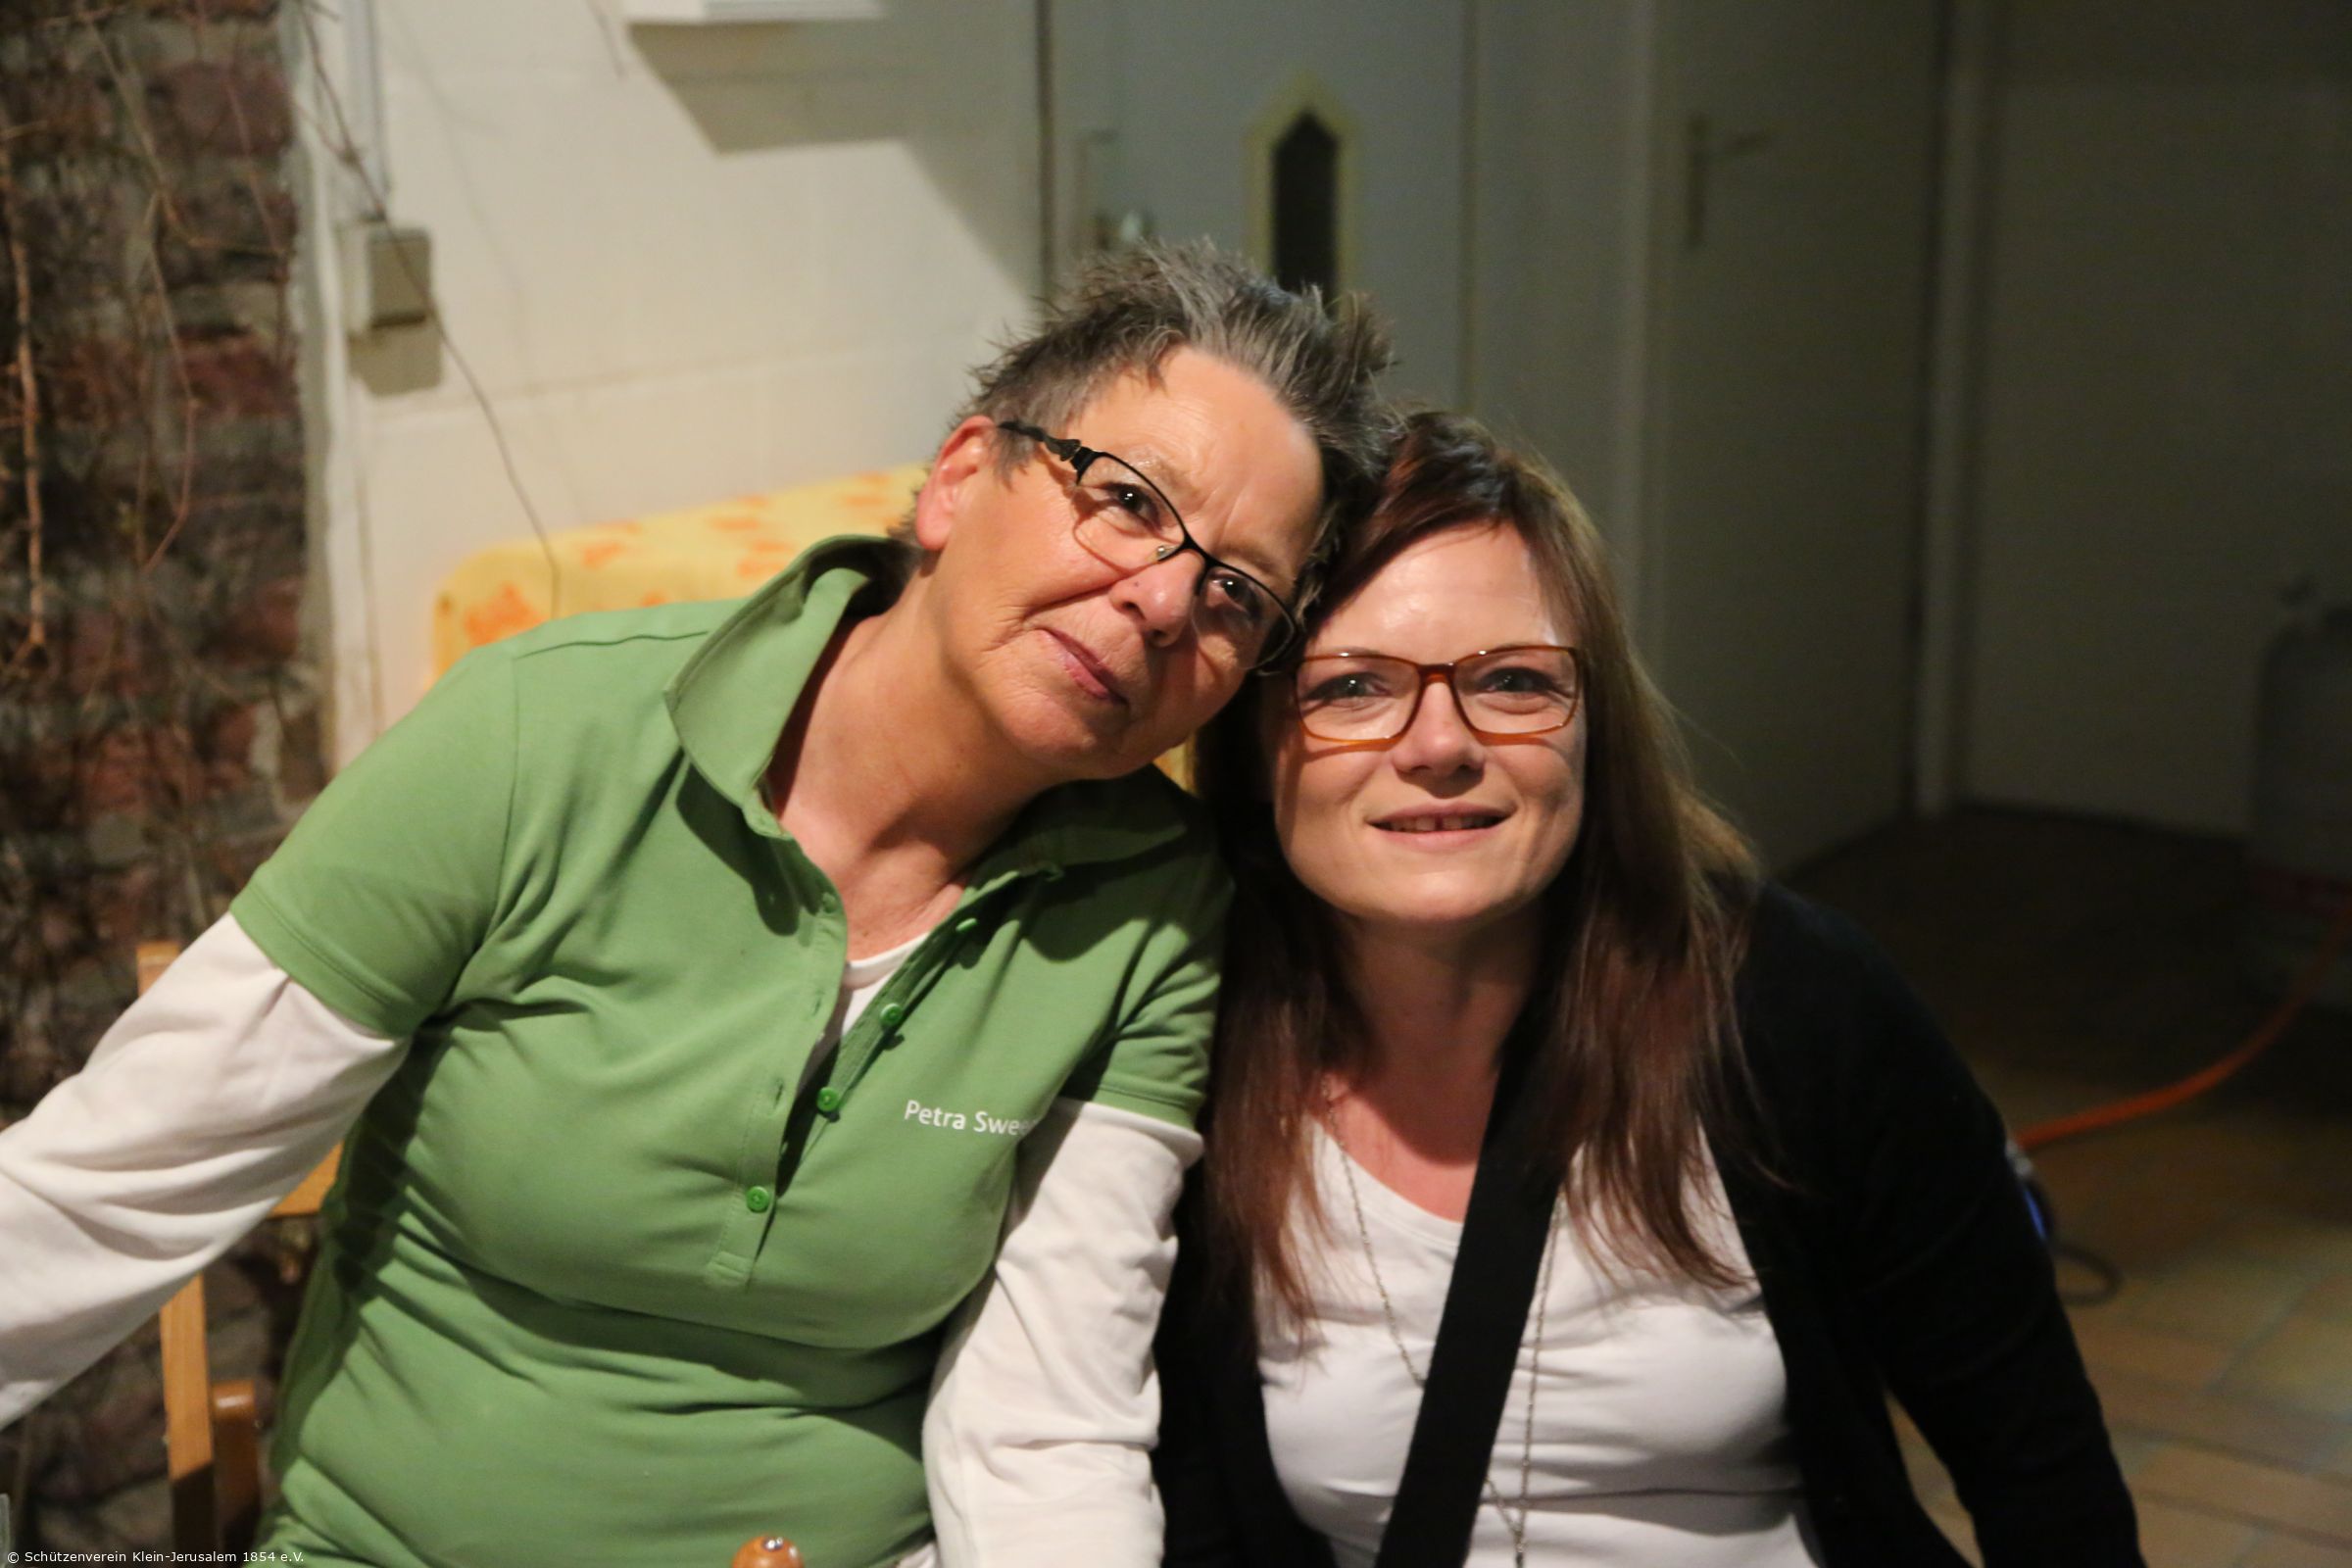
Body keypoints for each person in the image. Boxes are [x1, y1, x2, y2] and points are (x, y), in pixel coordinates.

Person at [0, 243, 1395, 1568]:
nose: (1164, 601)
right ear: (962, 476)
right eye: (1130, 500)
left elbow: (1047, 1418)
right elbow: (105, 1188)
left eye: (1236, 594)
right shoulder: (540, 738)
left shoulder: (1153, 911)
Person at [1153, 411, 2142, 1568]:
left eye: (1513, 680)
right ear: (1255, 742)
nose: (1439, 744)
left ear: (1595, 728)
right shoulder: (1178, 1046)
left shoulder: (1792, 1009)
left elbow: (2044, 1477)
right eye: (1354, 686)